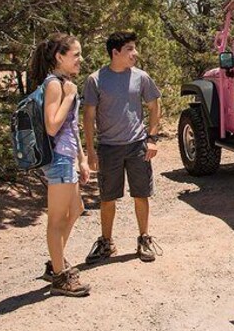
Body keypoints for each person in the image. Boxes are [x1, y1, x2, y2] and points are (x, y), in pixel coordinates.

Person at [83, 31, 162, 264]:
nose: (134, 53)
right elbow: (88, 116)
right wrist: (90, 150)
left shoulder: (141, 77)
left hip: (138, 146)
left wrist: (152, 138)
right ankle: (106, 243)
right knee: (108, 198)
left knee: (141, 194)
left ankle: (144, 239)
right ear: (115, 52)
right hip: (108, 147)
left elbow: (155, 107)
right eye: (129, 49)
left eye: (134, 48)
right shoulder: (95, 79)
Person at [31, 33, 91, 297]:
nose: (81, 59)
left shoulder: (65, 84)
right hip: (57, 159)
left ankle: (55, 262)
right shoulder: (55, 85)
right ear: (59, 57)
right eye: (75, 54)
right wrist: (68, 97)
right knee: (56, 219)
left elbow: (72, 128)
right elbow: (53, 125)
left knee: (76, 208)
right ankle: (59, 276)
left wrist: (83, 159)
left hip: (68, 158)